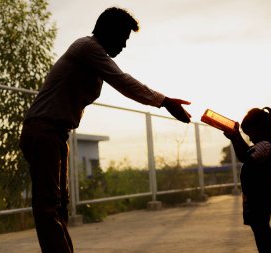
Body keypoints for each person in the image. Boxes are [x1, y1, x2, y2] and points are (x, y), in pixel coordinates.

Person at [19, 7, 191, 253]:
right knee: (48, 208)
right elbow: (122, 81)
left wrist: (163, 102)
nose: (123, 45)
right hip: (42, 130)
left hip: (57, 134)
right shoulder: (87, 48)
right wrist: (164, 101)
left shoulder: (94, 59)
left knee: (59, 207)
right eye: (122, 38)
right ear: (108, 32)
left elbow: (119, 80)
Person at [224, 107, 271, 253]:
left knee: (261, 228)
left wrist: (236, 137)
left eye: (250, 133)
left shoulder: (266, 145)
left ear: (260, 128)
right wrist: (235, 138)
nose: (250, 138)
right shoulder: (263, 144)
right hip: (257, 196)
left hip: (261, 196)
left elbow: (245, 156)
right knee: (259, 227)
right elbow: (246, 152)